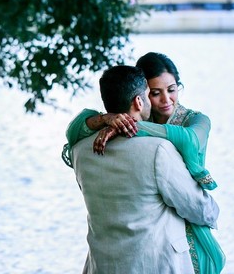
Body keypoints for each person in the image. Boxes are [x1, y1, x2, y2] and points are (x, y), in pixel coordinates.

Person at [63, 52, 225, 274]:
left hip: (102, 265)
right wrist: (110, 121)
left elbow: (188, 138)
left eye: (172, 89)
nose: (165, 100)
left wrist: (117, 122)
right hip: (158, 261)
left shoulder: (82, 149)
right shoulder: (159, 150)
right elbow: (198, 208)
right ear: (141, 98)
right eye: (154, 93)